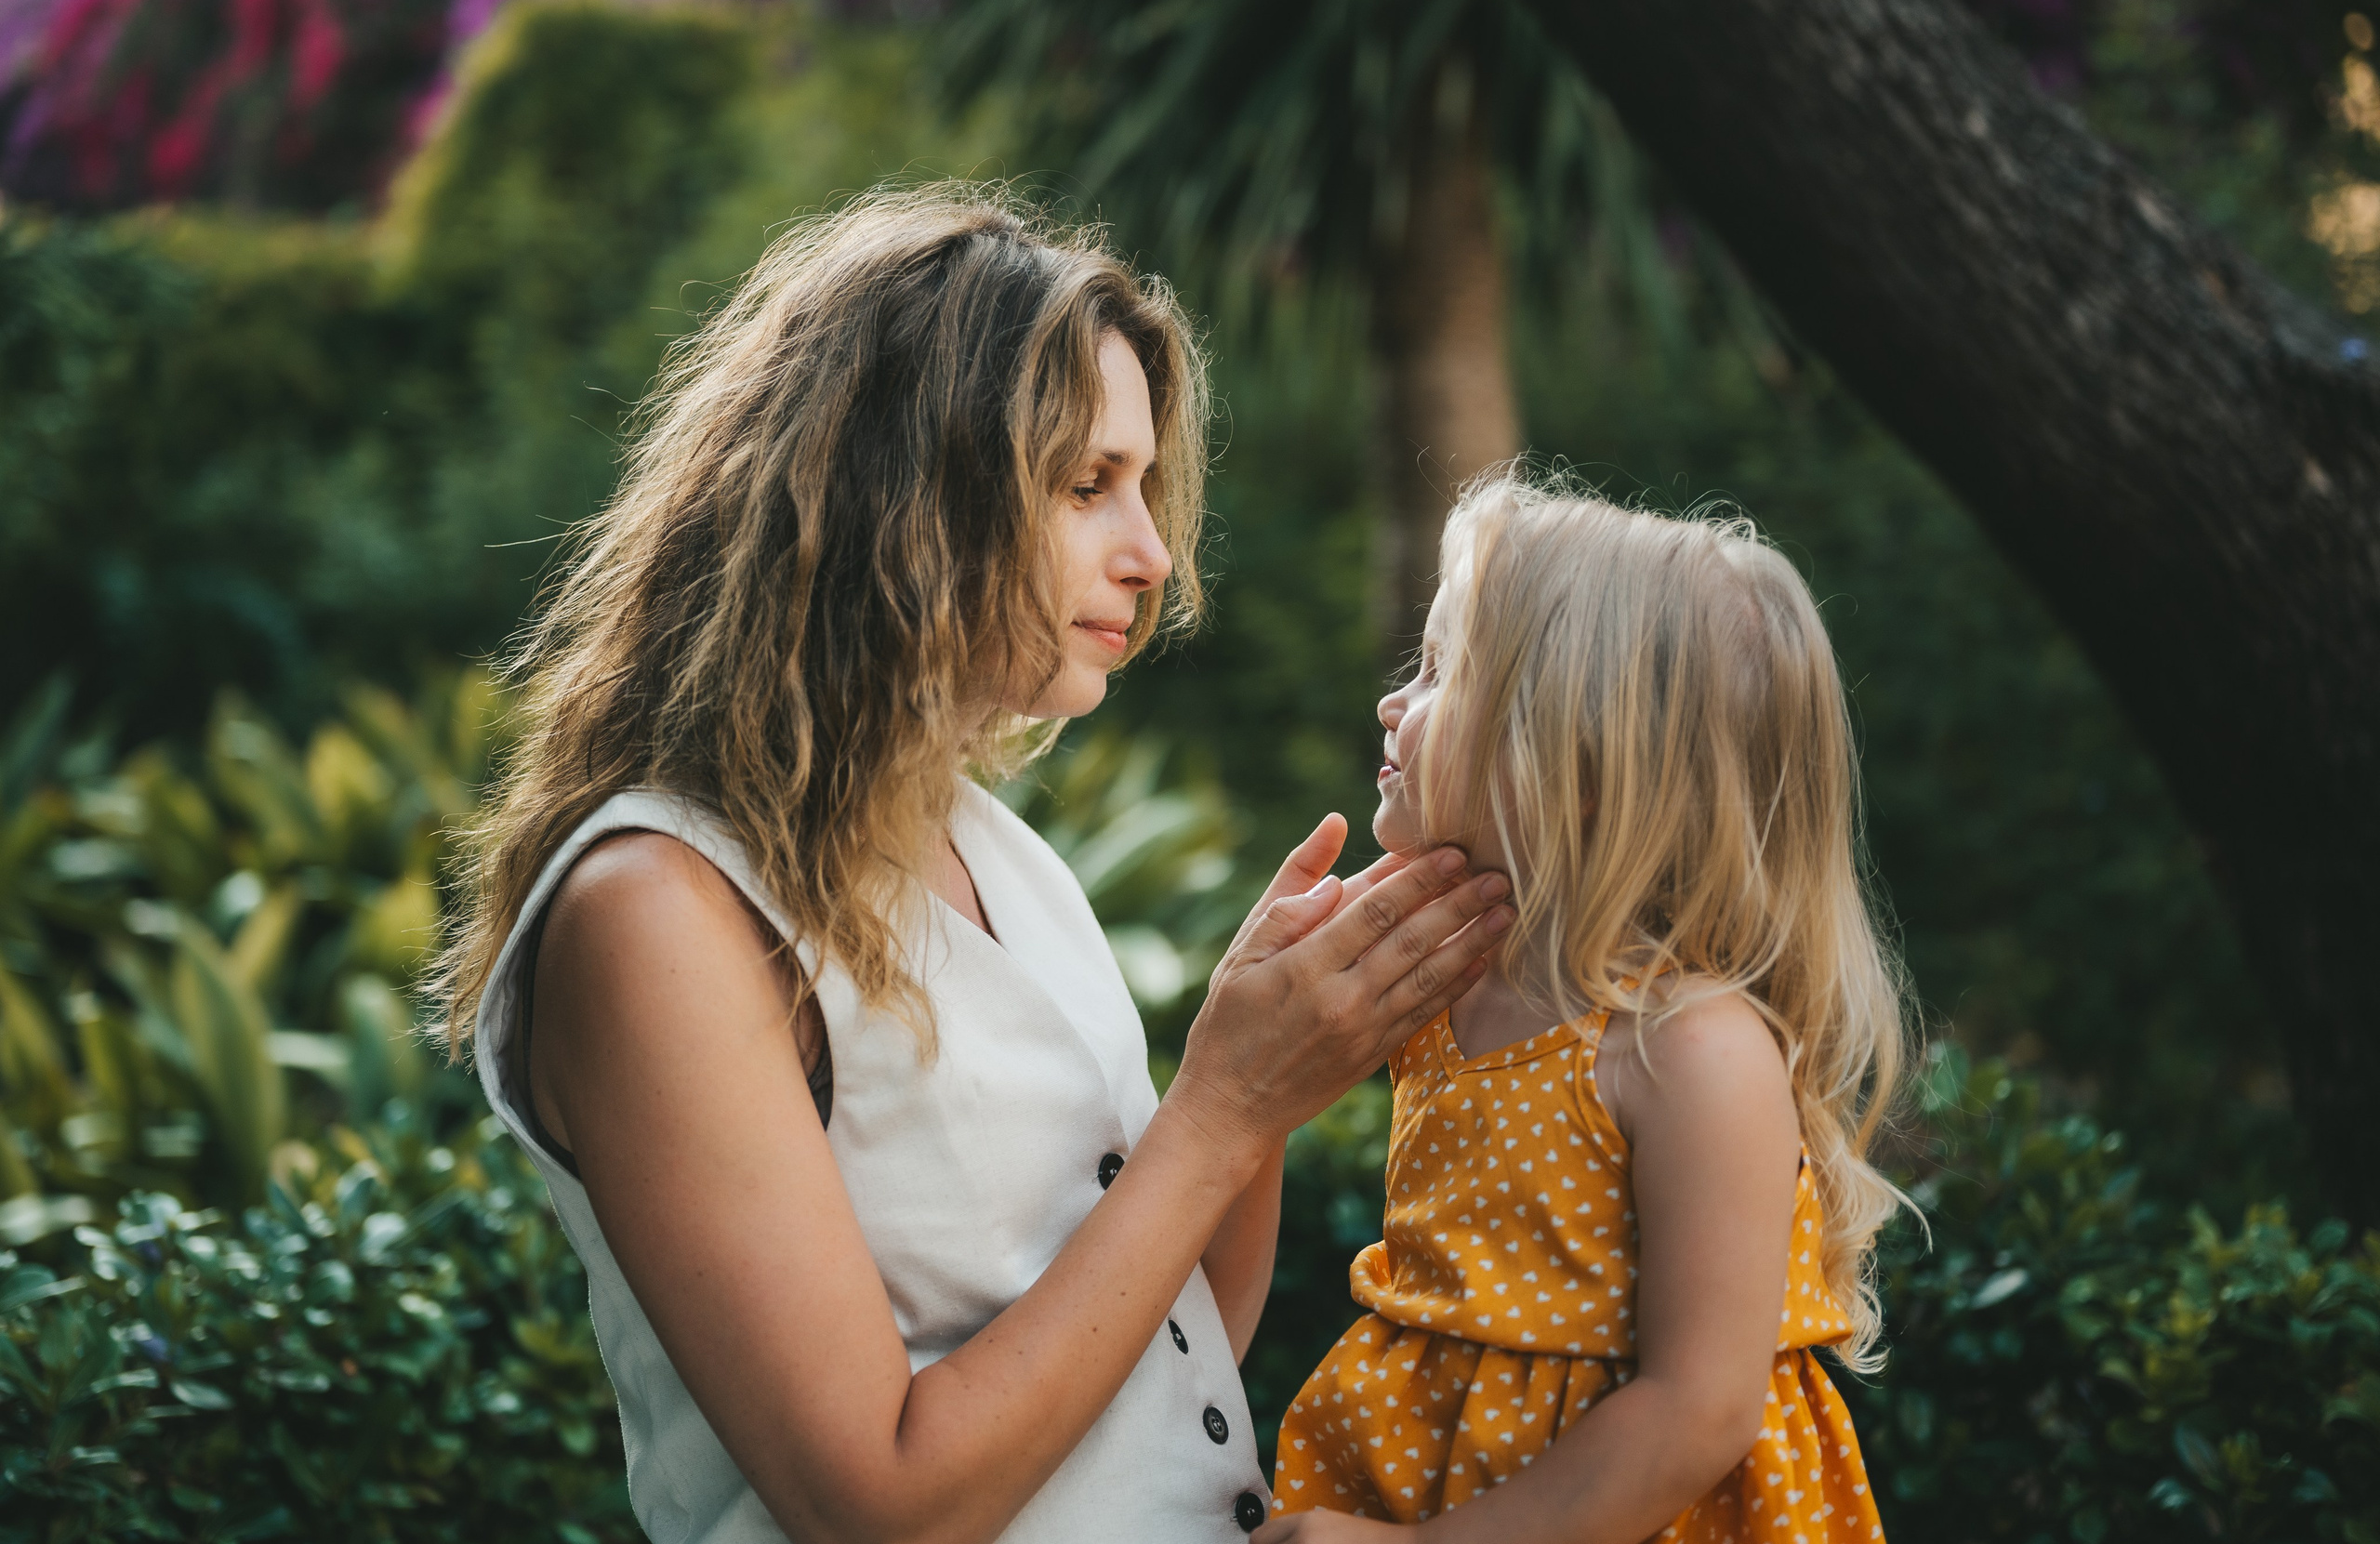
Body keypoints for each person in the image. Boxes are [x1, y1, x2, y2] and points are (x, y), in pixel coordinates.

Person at [430, 184, 1516, 1544]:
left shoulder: (1001, 857)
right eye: (1086, 485)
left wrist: (1259, 1072)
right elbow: (879, 1502)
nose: (1151, 553)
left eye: (1144, 485)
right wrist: (1223, 1106)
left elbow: (1171, 1358)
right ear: (904, 498)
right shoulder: (658, 910)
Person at [1261, 473, 1909, 1543]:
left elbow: (1698, 1408)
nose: (1391, 702)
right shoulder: (1450, 986)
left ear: (1584, 755)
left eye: (1441, 671)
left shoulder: (1687, 1047)